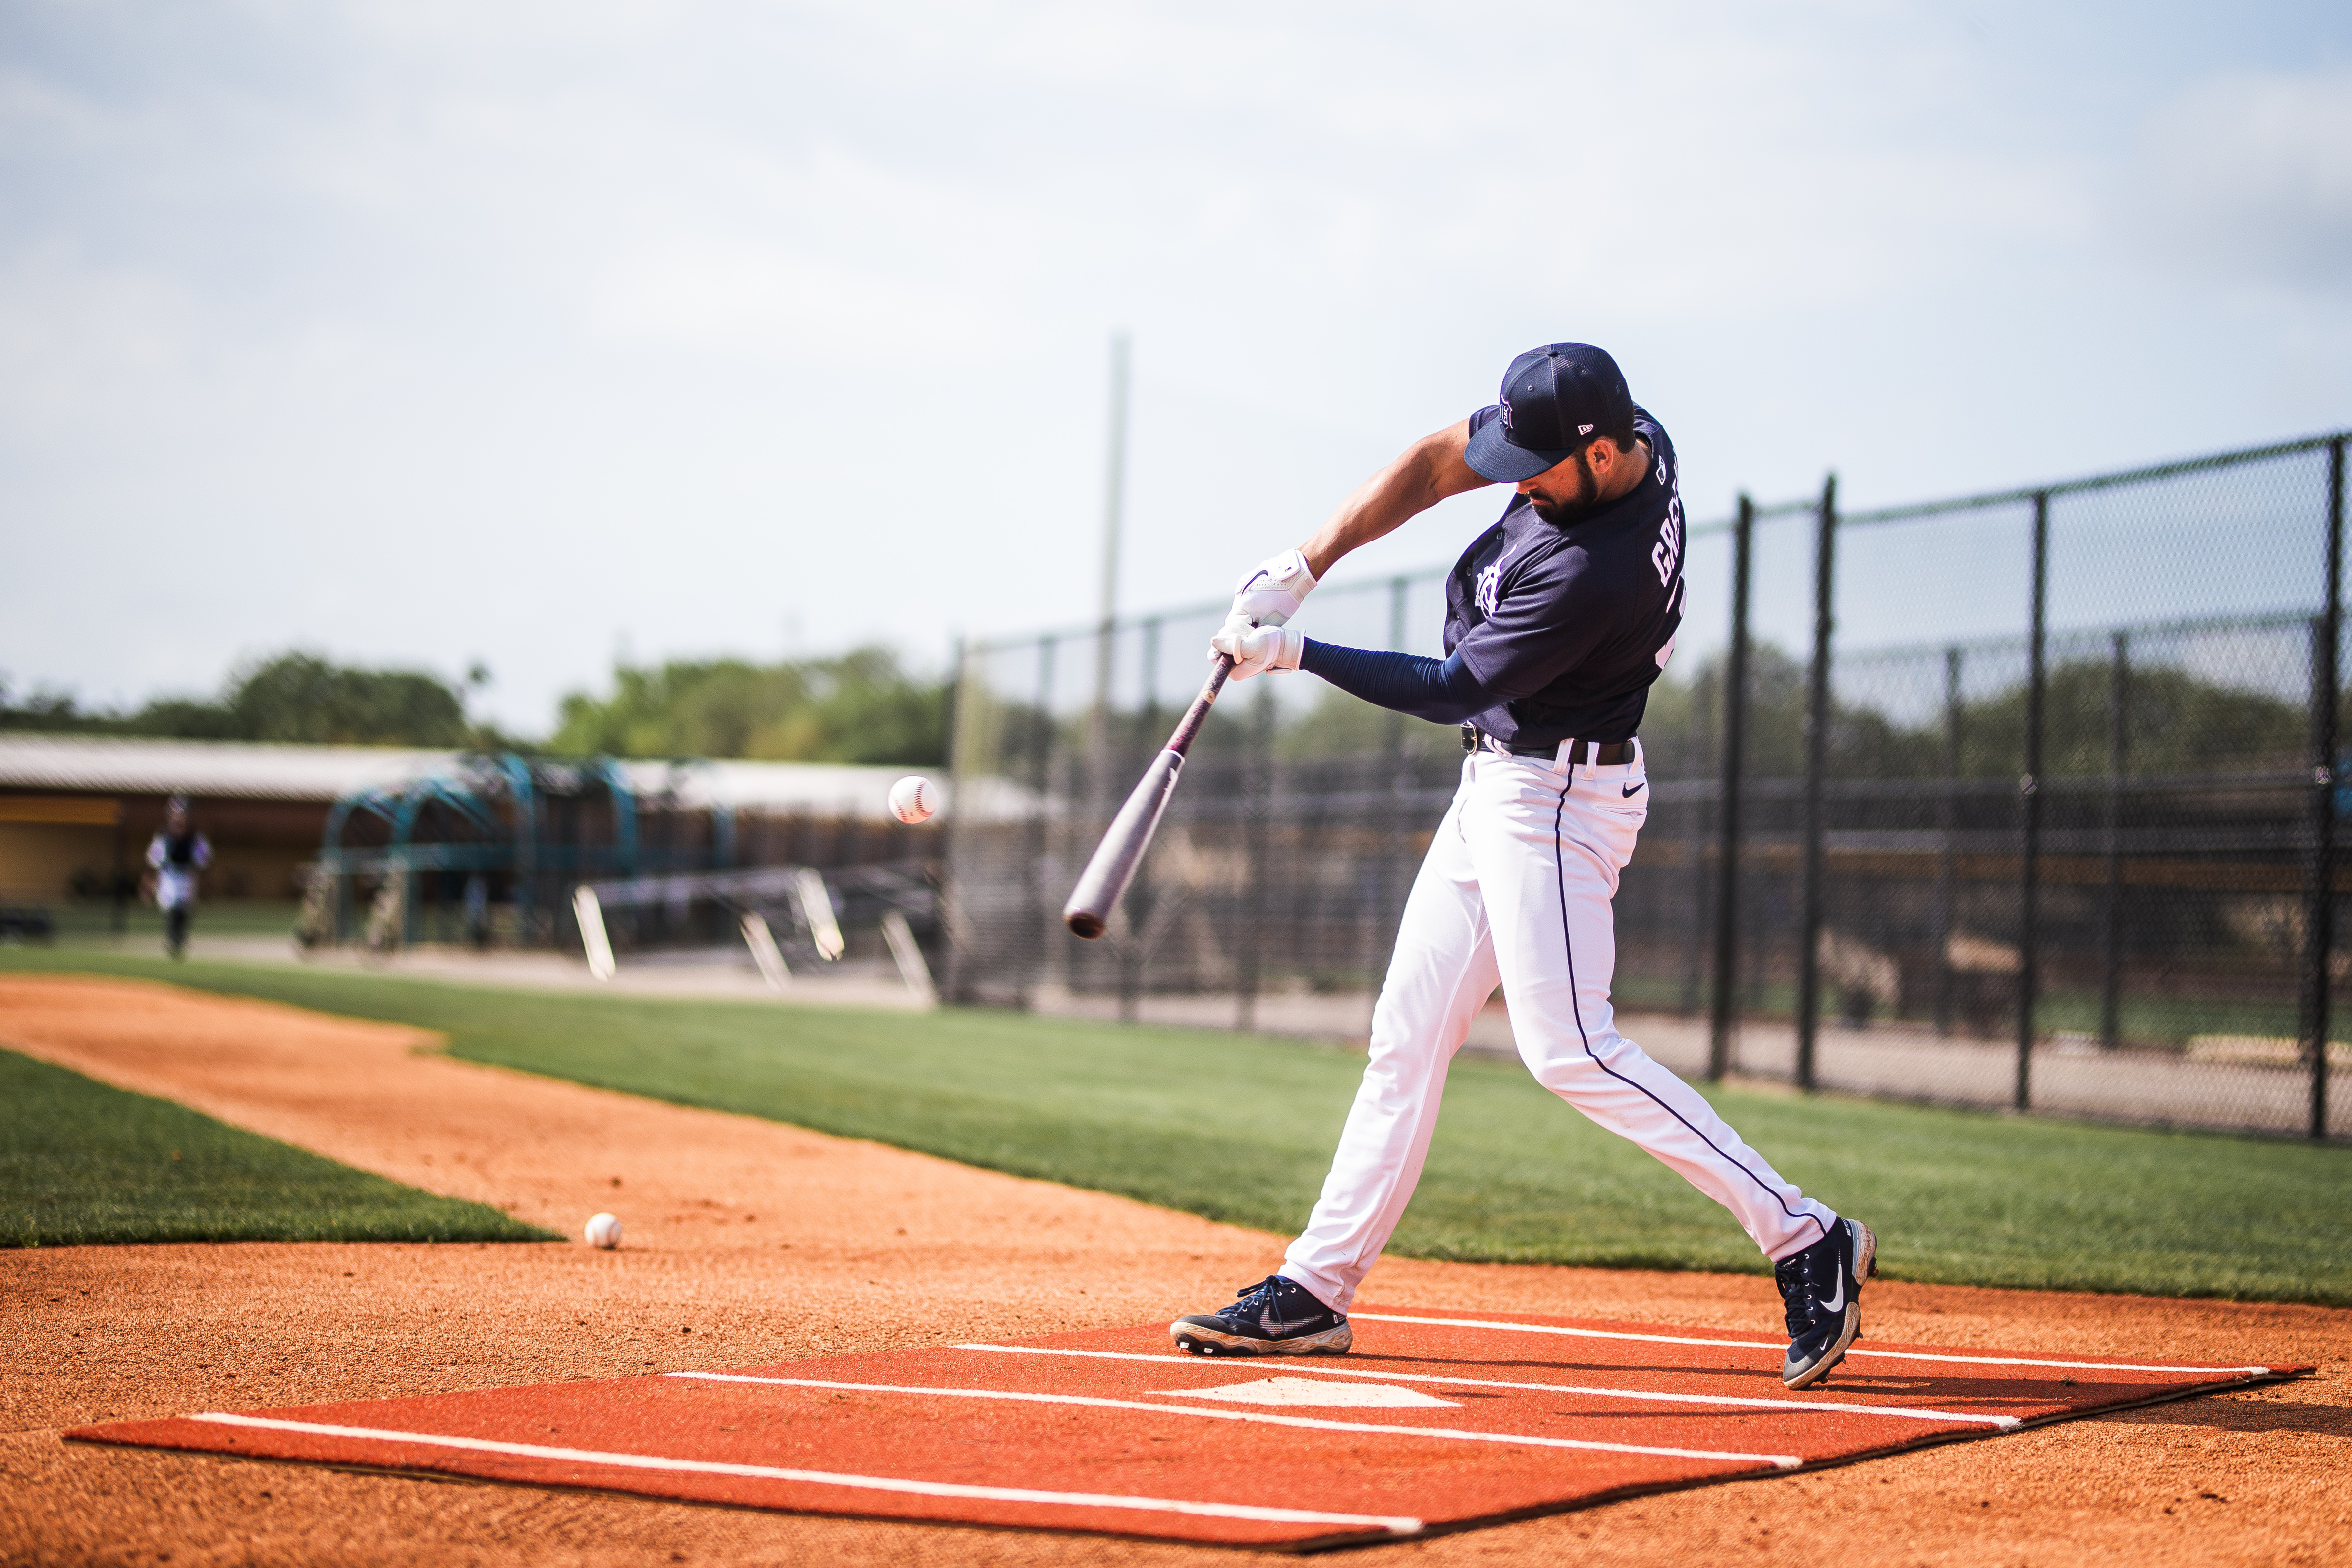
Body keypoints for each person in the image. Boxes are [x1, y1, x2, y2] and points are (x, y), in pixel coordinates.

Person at [1169, 343, 1877, 1390]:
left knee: (1571, 1048)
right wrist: (1307, 562)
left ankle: (1805, 1234)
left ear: (1597, 455)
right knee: (1405, 1037)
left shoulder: (1596, 569)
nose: (1512, 480)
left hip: (1554, 797)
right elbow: (1430, 463)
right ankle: (1316, 1289)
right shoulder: (1623, 442)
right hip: (1503, 784)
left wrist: (1299, 653)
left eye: (1534, 467)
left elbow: (1456, 684)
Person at [146, 795, 212, 961]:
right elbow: (154, 859)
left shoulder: (194, 836)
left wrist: (205, 880)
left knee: (184, 908)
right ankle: (173, 938)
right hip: (169, 874)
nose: (180, 817)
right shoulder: (164, 835)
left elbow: (204, 859)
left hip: (187, 875)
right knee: (172, 906)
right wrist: (149, 882)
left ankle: (179, 938)